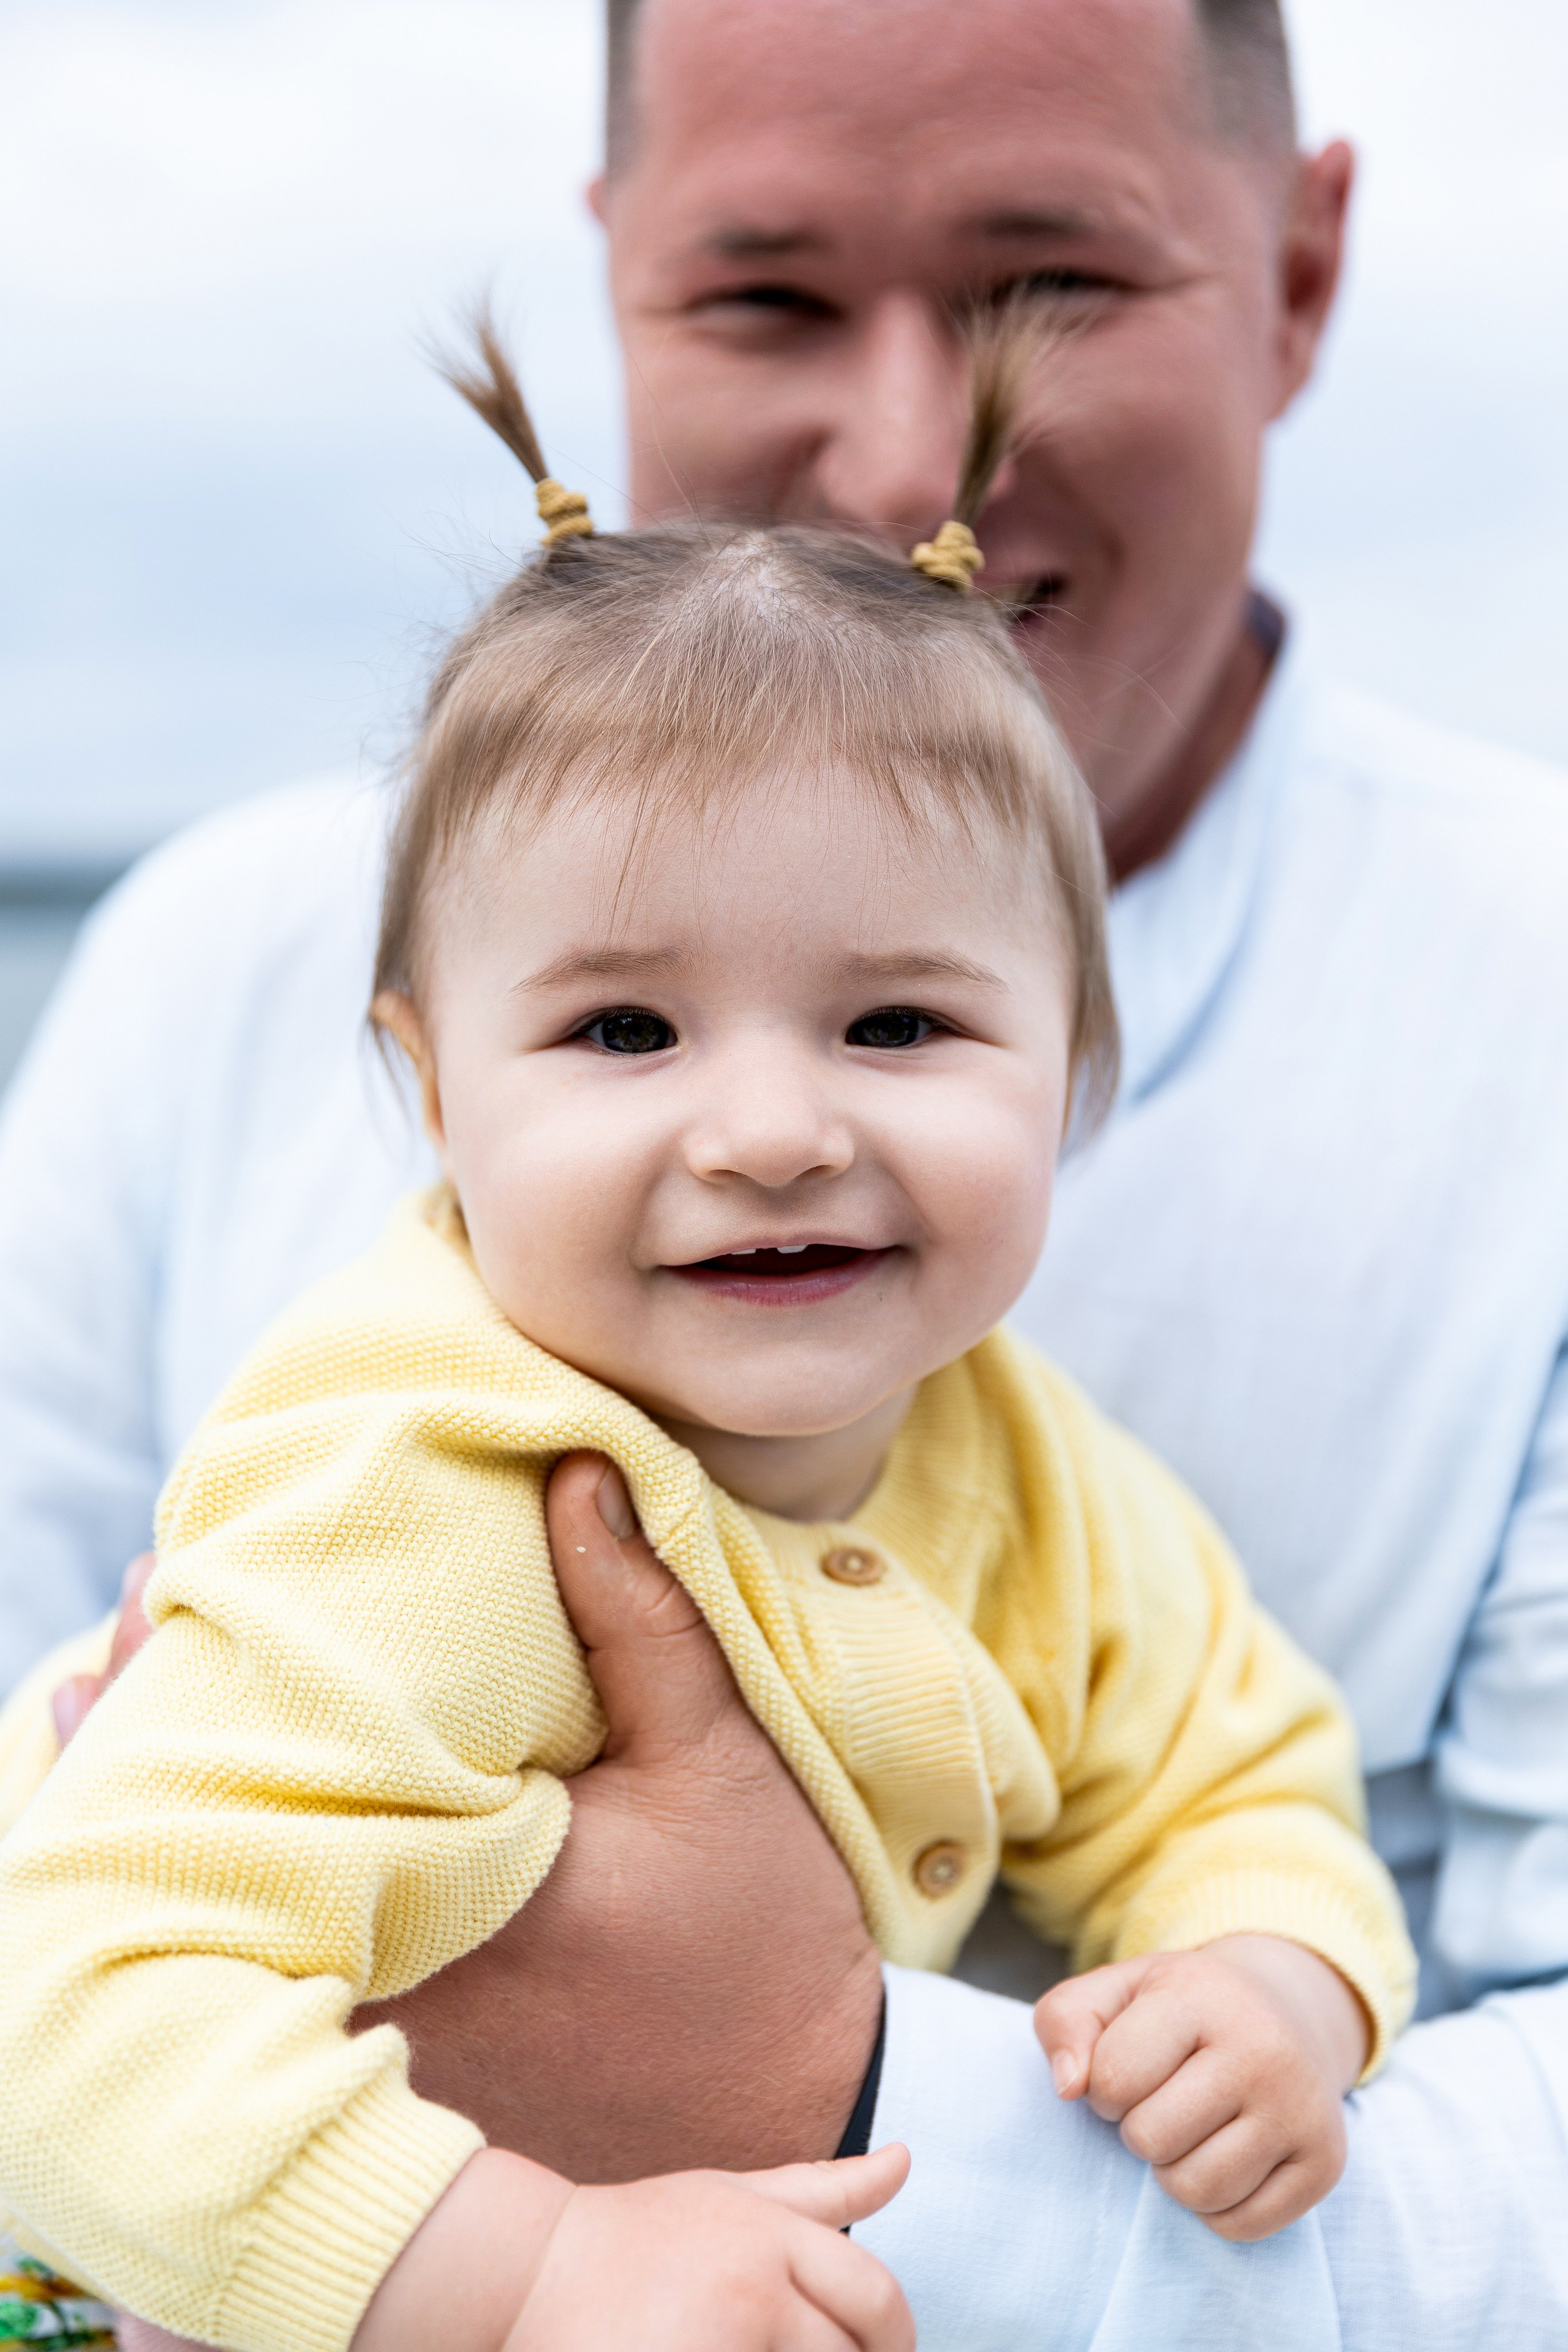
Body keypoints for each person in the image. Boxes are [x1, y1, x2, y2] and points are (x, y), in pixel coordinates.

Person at [1, 0, 1567, 2339]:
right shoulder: (409, 1493)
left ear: (1072, 1077)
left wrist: (1282, 1978)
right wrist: (529, 2262)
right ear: (425, 1088)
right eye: (623, 1028)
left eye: (903, 1025)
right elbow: (64, 2000)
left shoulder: (1016, 1462)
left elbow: (1237, 1760)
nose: (769, 1127)